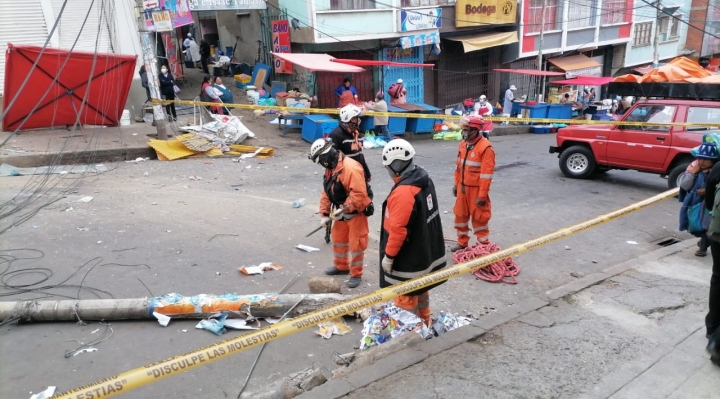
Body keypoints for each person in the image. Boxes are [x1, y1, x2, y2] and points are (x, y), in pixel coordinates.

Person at [379, 139, 447, 326]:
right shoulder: (423, 179)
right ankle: (424, 325)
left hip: (409, 260)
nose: (388, 171)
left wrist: (389, 256)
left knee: (405, 299)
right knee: (421, 292)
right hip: (423, 253)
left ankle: (409, 336)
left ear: (396, 165)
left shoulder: (404, 192)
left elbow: (398, 230)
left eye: (388, 167)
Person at [309, 139, 371, 288]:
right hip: (341, 212)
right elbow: (327, 191)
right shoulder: (331, 167)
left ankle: (356, 274)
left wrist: (343, 208)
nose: (320, 165)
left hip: (356, 212)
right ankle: (341, 266)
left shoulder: (350, 168)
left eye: (320, 162)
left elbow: (358, 195)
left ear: (324, 157)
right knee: (339, 240)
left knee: (357, 245)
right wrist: (324, 214)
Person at [450, 115, 496, 252]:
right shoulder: (463, 144)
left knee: (479, 219)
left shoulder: (486, 148)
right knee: (460, 216)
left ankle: (483, 245)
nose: (464, 132)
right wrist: (456, 184)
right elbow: (459, 167)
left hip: (476, 190)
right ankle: (462, 242)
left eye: (467, 129)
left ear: (476, 130)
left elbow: (486, 175)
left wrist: (482, 196)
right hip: (462, 188)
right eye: (463, 129)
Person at [679, 141, 719, 256]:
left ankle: (703, 247)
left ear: (713, 161)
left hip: (711, 204)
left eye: (705, 159)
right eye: (700, 158)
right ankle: (704, 241)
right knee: (696, 225)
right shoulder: (693, 168)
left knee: (708, 226)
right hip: (695, 203)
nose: (701, 161)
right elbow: (685, 186)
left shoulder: (716, 171)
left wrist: (708, 192)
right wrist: (692, 173)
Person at [702, 136, 720, 366]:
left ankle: (713, 329)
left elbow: (708, 200)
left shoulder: (718, 166)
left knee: (718, 278)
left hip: (718, 231)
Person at [329, 104, 372, 183]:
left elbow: (359, 155)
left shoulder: (354, 133)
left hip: (358, 174)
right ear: (350, 119)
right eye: (356, 118)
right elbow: (331, 160)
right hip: (345, 178)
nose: (359, 120)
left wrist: (367, 173)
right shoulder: (336, 135)